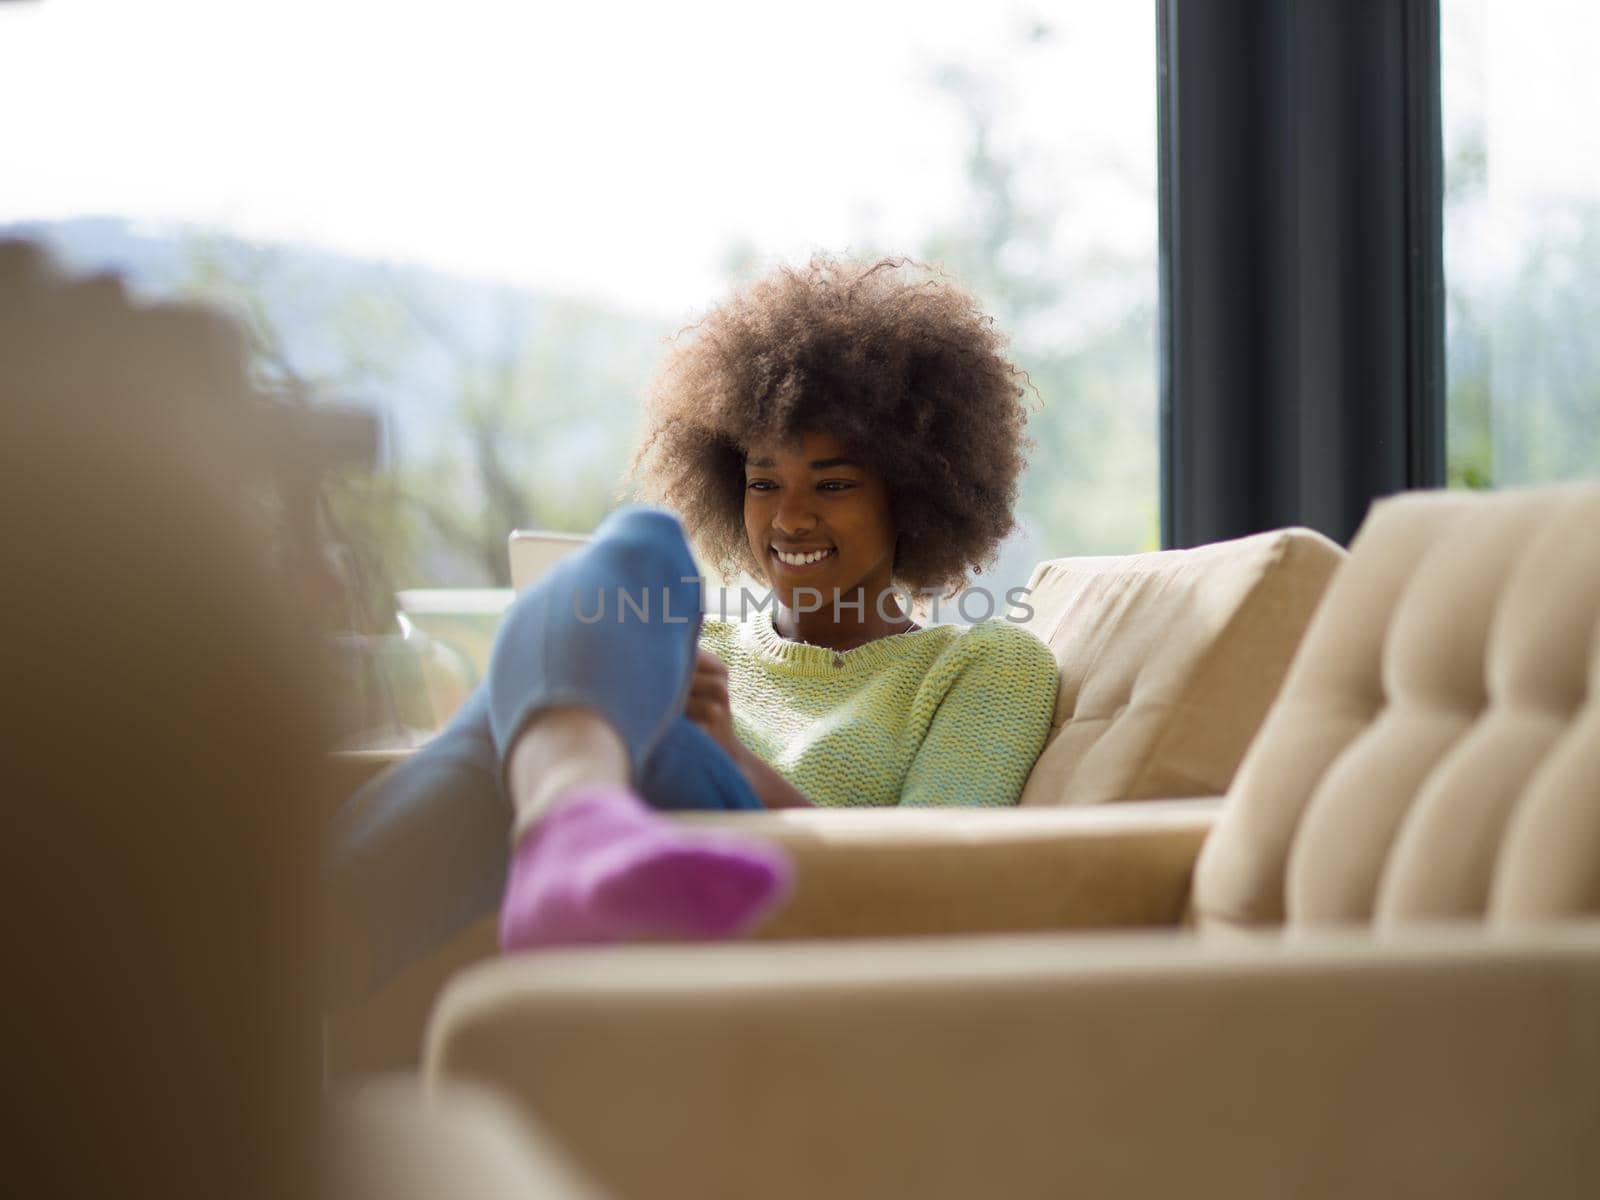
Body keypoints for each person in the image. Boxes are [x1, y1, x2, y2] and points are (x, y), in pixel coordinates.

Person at [327, 256, 1058, 997]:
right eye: (763, 483)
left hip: (784, 906)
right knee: (640, 552)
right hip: (638, 846)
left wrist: (737, 761)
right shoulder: (692, 638)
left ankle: (301, 938)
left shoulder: (987, 665)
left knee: (594, 697)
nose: (789, 517)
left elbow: (936, 881)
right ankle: (567, 826)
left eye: (833, 485)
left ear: (910, 498)